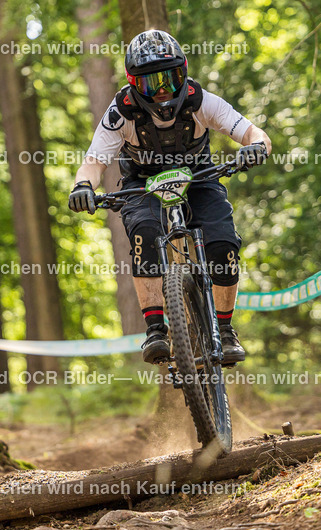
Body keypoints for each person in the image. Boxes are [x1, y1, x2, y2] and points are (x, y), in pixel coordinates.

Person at [68, 29, 272, 366]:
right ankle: (156, 330)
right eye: (151, 83)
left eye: (170, 78)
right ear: (134, 84)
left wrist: (255, 148)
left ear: (184, 73)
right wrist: (82, 187)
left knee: (223, 243)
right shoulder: (121, 113)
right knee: (144, 234)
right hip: (142, 186)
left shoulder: (200, 101)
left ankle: (224, 328)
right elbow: (94, 161)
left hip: (199, 180)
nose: (163, 91)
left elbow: (253, 132)